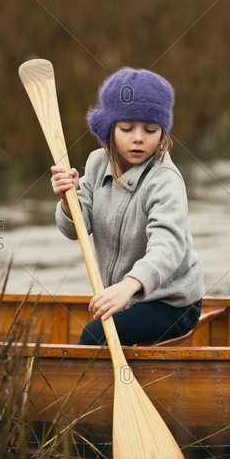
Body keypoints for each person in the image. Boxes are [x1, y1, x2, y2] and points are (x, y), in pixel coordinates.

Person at [51, 67, 204, 346]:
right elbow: (76, 229)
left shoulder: (165, 181)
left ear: (162, 131)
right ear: (110, 128)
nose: (138, 138)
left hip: (172, 304)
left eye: (150, 130)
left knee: (95, 334)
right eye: (127, 128)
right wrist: (67, 199)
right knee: (101, 329)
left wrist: (128, 286)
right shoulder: (97, 164)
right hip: (126, 297)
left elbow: (168, 246)